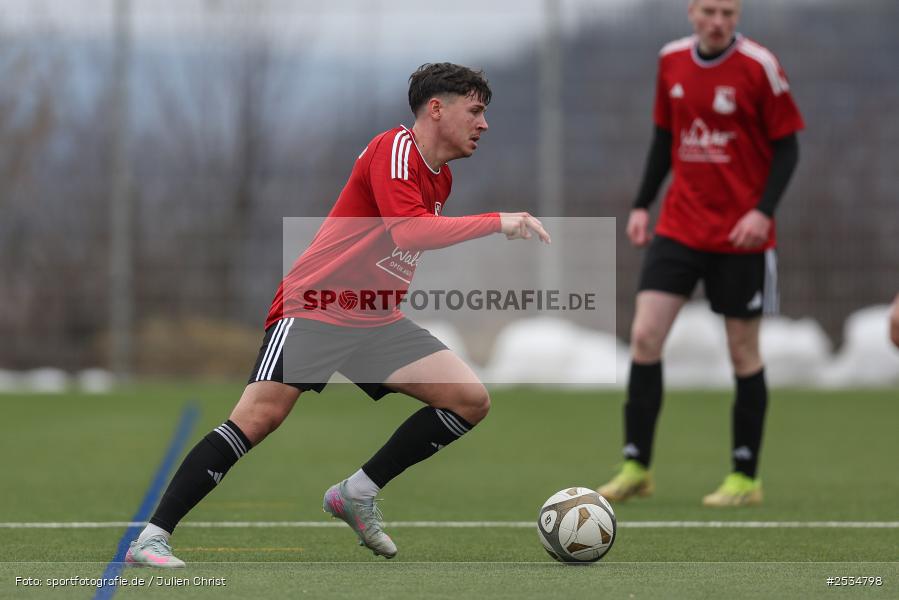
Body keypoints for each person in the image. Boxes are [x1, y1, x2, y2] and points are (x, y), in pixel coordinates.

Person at [125, 62, 550, 567]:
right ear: (436, 109)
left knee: (469, 400)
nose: (484, 124)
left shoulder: (442, 179)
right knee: (259, 418)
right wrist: (497, 222)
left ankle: (356, 492)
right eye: (476, 111)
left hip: (374, 318)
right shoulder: (394, 151)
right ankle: (151, 537)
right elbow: (409, 233)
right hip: (318, 305)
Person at [597, 0, 803, 507]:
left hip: (740, 235)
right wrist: (643, 203)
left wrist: (763, 212)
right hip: (680, 225)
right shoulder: (671, 60)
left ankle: (745, 477)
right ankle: (636, 465)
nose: (718, 22)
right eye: (709, 11)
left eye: (729, 13)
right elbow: (665, 137)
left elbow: (788, 147)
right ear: (691, 11)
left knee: (742, 352)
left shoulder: (760, 66)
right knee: (645, 335)